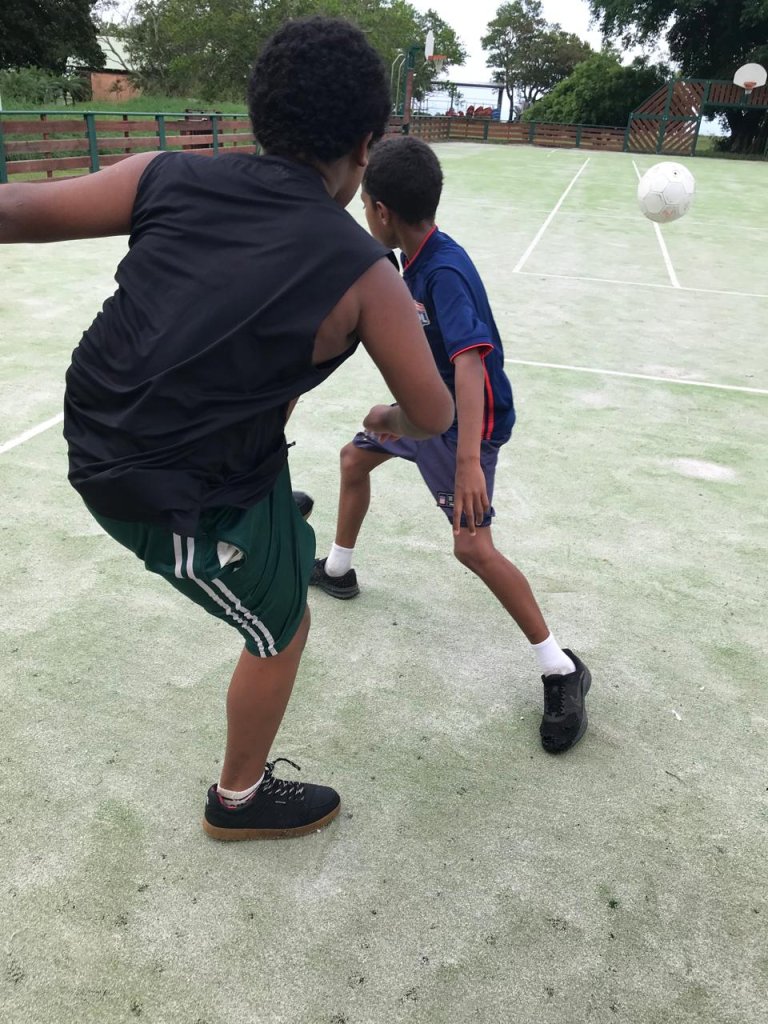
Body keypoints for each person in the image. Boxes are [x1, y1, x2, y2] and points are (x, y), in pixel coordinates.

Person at [0, 19, 454, 840]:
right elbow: (434, 414)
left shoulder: (165, 173)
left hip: (106, 415)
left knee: (268, 398)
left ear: (258, 115)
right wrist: (387, 419)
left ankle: (272, 514)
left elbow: (15, 208)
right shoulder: (366, 273)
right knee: (284, 628)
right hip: (151, 483)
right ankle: (237, 801)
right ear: (365, 147)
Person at [310, 136, 591, 754]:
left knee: (472, 547)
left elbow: (469, 360)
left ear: (382, 211)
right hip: (425, 415)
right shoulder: (412, 258)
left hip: (465, 428)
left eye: (364, 205)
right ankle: (337, 570)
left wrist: (468, 462)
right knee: (355, 458)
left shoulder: (444, 271)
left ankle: (561, 668)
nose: (362, 213)